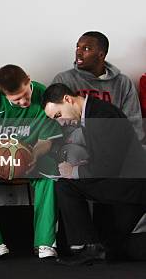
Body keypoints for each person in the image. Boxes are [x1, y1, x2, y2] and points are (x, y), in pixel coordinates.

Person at [42, 83, 146, 265]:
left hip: (129, 187)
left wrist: (74, 170)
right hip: (126, 184)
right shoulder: (94, 112)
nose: (60, 122)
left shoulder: (102, 114)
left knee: (65, 184)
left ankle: (86, 246)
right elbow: (109, 155)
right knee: (114, 249)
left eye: (58, 115)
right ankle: (95, 247)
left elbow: (108, 165)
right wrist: (86, 165)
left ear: (68, 99)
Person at [0, 65, 62, 259]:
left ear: (28, 80)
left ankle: (45, 242)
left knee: (51, 168)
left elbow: (46, 140)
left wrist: (35, 155)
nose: (23, 102)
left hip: (30, 156)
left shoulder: (44, 95)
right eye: (16, 99)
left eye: (25, 95)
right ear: (3, 94)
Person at [52, 31, 144, 141]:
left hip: (116, 145)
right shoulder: (63, 80)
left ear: (101, 55)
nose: (79, 53)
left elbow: (134, 123)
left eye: (86, 49)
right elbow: (56, 123)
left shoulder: (123, 83)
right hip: (76, 145)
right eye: (78, 47)